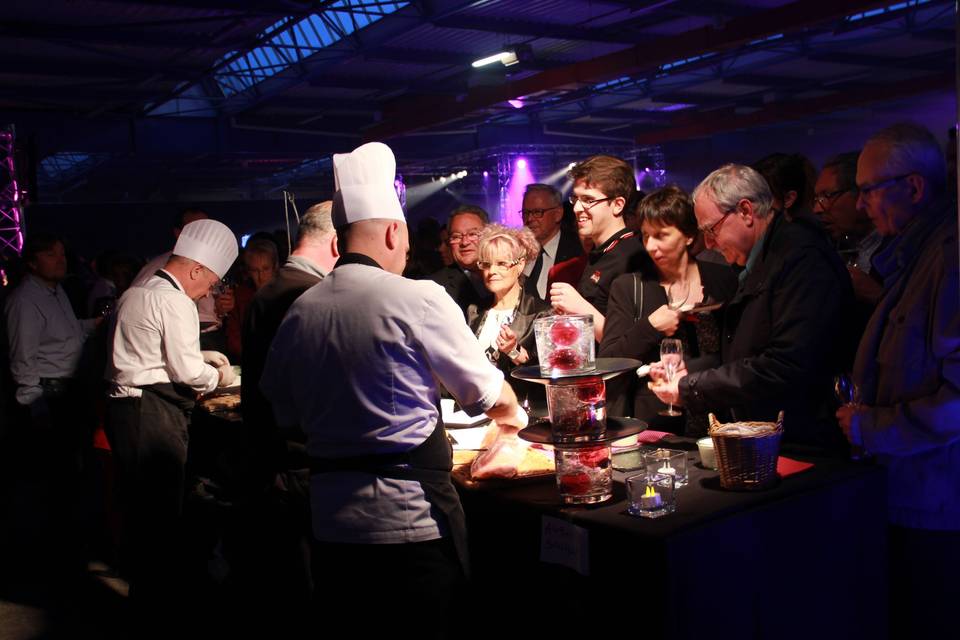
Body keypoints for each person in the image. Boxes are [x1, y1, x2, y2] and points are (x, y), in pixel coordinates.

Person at [260, 142, 526, 638]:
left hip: (330, 525)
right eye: (404, 239)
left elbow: (282, 408)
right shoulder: (419, 297)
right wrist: (515, 422)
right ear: (391, 230)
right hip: (408, 525)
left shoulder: (303, 309)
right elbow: (490, 395)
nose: (407, 251)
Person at [835, 123, 959, 636]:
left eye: (868, 190)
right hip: (916, 496)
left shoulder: (949, 257)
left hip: (938, 508)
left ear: (913, 187)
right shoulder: (917, 255)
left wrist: (872, 427)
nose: (861, 206)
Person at [649, 164, 854, 452]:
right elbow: (744, 352)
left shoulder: (800, 259)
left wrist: (691, 387)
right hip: (779, 437)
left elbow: (785, 365)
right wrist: (688, 373)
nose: (708, 243)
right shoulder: (763, 259)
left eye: (712, 229)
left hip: (807, 443)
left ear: (745, 211)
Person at [104, 219, 238, 627]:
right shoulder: (175, 300)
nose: (209, 292)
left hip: (127, 409)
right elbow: (184, 371)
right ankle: (157, 610)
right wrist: (221, 375)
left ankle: (148, 597)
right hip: (150, 411)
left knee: (143, 512)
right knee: (159, 516)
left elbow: (162, 354)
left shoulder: (141, 290)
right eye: (211, 282)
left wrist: (206, 358)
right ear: (196, 269)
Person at [600, 187, 737, 433]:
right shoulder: (630, 287)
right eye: (645, 236)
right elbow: (608, 362)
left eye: (661, 235)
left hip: (721, 417)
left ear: (687, 236)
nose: (651, 246)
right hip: (657, 425)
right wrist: (650, 327)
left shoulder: (723, 278)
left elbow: (738, 353)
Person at [4, 233, 100, 577]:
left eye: (62, 254)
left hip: (67, 392)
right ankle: (53, 557)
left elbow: (66, 333)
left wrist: (93, 325)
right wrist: (35, 408)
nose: (60, 260)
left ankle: (67, 544)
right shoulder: (24, 301)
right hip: (49, 396)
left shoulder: (56, 292)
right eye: (51, 255)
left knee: (70, 475)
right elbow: (23, 361)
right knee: (54, 477)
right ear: (31, 262)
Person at [549, 155, 651, 342]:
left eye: (588, 199)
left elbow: (633, 343)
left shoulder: (634, 258)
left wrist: (579, 307)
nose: (577, 208)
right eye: (576, 199)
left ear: (618, 205)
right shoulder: (601, 253)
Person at [132, 208, 235, 351]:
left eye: (206, 230)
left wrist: (222, 309)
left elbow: (217, 308)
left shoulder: (211, 267)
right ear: (178, 233)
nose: (204, 237)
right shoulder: (155, 271)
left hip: (211, 337)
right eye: (197, 230)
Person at [467, 224, 550, 403]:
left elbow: (549, 373)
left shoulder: (541, 314)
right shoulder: (474, 312)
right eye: (486, 264)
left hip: (522, 409)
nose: (492, 272)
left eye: (501, 264)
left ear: (520, 265)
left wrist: (515, 351)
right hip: (478, 409)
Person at [814, 152, 883, 306]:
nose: (817, 209)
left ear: (860, 193)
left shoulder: (900, 249)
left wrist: (876, 295)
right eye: (817, 199)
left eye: (827, 195)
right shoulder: (835, 248)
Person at [520, 183, 584, 300]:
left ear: (558, 214)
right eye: (526, 213)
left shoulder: (579, 251)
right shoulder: (517, 252)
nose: (529, 219)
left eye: (537, 212)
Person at [428, 205, 492, 319]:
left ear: (489, 236)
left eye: (472, 234)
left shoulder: (506, 275)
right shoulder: (433, 287)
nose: (464, 242)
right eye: (456, 236)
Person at [225, 237, 279, 359]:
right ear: (248, 271)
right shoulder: (240, 297)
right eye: (255, 270)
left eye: (266, 269)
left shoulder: (286, 293)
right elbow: (233, 339)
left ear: (275, 267)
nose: (261, 277)